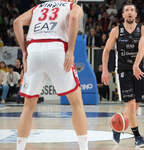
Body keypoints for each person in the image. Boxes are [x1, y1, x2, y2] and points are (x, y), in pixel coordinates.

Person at [13, 1, 88, 150]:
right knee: (76, 103)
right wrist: (71, 51)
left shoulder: (39, 7)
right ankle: (83, 147)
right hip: (56, 48)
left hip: (33, 50)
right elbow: (73, 19)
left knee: (28, 107)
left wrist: (24, 51)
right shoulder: (73, 6)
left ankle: (19, 148)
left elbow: (17, 22)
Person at [101, 3, 144, 148]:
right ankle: (138, 137)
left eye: (132, 10)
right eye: (126, 10)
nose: (129, 12)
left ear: (135, 14)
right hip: (123, 71)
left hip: (138, 70)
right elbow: (106, 51)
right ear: (122, 15)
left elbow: (142, 49)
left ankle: (117, 126)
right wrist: (105, 70)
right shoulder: (116, 31)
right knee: (131, 104)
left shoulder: (143, 29)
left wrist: (136, 65)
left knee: (136, 106)